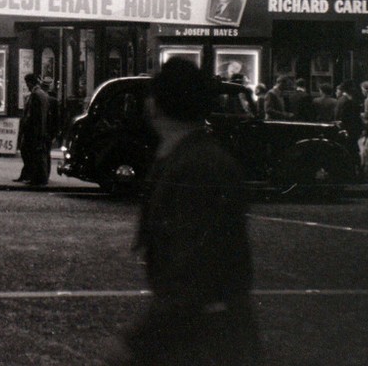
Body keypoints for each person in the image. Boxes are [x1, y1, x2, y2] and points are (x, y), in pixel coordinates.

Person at [106, 57, 258, 366]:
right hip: (208, 334)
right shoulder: (189, 157)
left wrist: (137, 342)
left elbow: (192, 273)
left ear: (155, 106)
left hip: (205, 342)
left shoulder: (195, 167)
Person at [17, 73, 49, 187]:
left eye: (27, 83)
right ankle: (34, 176)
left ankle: (36, 178)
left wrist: (26, 126)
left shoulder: (35, 94)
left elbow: (34, 115)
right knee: (37, 154)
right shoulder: (43, 94)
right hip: (39, 129)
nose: (27, 86)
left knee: (29, 153)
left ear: (30, 83)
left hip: (33, 130)